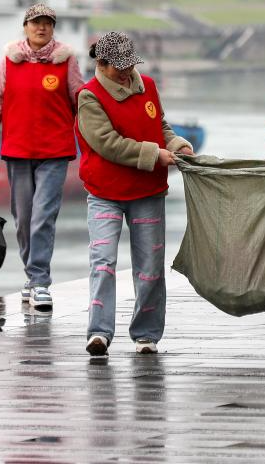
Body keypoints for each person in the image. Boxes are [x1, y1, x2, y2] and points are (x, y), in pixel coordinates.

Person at [0, 3, 83, 312]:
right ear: (25, 26)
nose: (42, 28)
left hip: (55, 151)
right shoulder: (9, 61)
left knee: (43, 217)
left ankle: (40, 282)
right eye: (36, 22)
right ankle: (31, 277)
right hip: (18, 151)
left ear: (53, 28)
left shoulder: (65, 61)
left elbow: (82, 99)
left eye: (48, 23)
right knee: (24, 219)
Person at [77, 33, 194, 356]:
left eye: (130, 64)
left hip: (148, 191)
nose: (127, 72)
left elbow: (161, 126)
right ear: (101, 65)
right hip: (105, 192)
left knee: (151, 267)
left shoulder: (149, 87)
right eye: (119, 67)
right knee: (103, 263)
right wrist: (156, 154)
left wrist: (176, 145)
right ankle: (99, 332)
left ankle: (146, 334)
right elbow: (107, 143)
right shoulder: (89, 97)